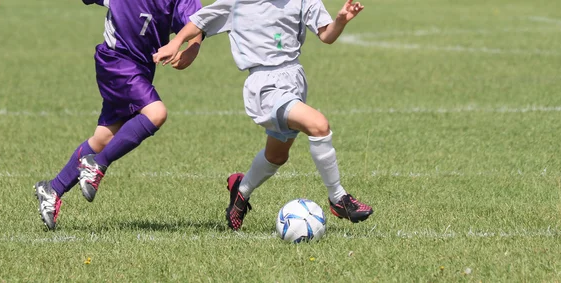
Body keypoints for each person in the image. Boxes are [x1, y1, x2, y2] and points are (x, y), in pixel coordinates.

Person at [153, 0, 373, 230]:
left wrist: (339, 21)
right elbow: (199, 21)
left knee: (277, 156)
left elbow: (326, 35)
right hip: (264, 87)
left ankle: (241, 191)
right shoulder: (238, 4)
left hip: (294, 80)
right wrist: (177, 43)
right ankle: (338, 199)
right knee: (318, 125)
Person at [34, 0, 203, 231]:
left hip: (142, 68)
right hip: (116, 61)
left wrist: (193, 47)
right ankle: (96, 166)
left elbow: (198, 21)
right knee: (157, 113)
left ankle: (52, 189)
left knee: (103, 139)